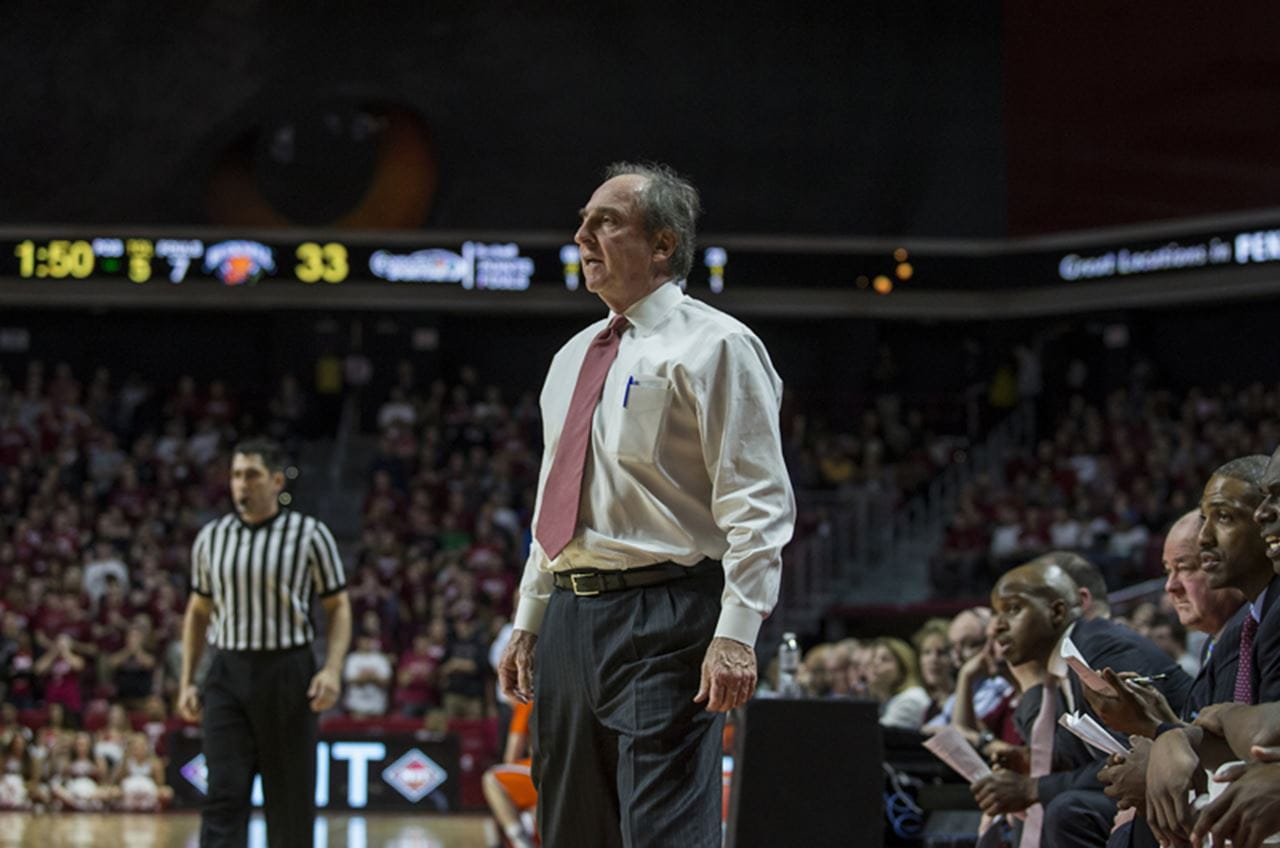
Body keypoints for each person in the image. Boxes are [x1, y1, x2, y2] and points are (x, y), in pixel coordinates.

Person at [497, 162, 795, 847]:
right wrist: (529, 617)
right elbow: (556, 495)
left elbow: (758, 503)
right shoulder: (572, 355)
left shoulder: (720, 345)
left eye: (606, 221)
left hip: (668, 611)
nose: (582, 235)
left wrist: (736, 633)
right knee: (571, 828)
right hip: (572, 614)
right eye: (583, 221)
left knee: (663, 831)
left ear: (662, 245)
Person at [178, 437, 352, 848]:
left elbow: (339, 606)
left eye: (252, 474)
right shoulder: (210, 538)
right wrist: (187, 679)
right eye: (236, 475)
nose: (242, 484)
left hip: (288, 672)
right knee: (223, 791)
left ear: (276, 481)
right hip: (227, 672)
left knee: (289, 799)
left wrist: (331, 670)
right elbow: (198, 611)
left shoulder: (310, 534)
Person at [971, 559, 1190, 848]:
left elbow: (1132, 755)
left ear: (1057, 611)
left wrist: (1034, 787)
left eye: (1013, 609)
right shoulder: (1061, 662)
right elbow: (1080, 758)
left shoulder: (1101, 647)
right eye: (996, 613)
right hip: (1147, 794)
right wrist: (1028, 757)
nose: (997, 626)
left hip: (1185, 784)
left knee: (1069, 810)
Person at [482, 698, 538, 848]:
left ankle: (519, 841)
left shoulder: (528, 700)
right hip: (582, 774)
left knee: (493, 779)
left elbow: (512, 755)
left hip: (546, 771)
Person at [867, 636, 932, 730]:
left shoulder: (910, 700)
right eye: (873, 658)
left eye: (885, 659)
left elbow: (878, 738)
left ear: (903, 670)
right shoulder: (886, 701)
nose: (875, 663)